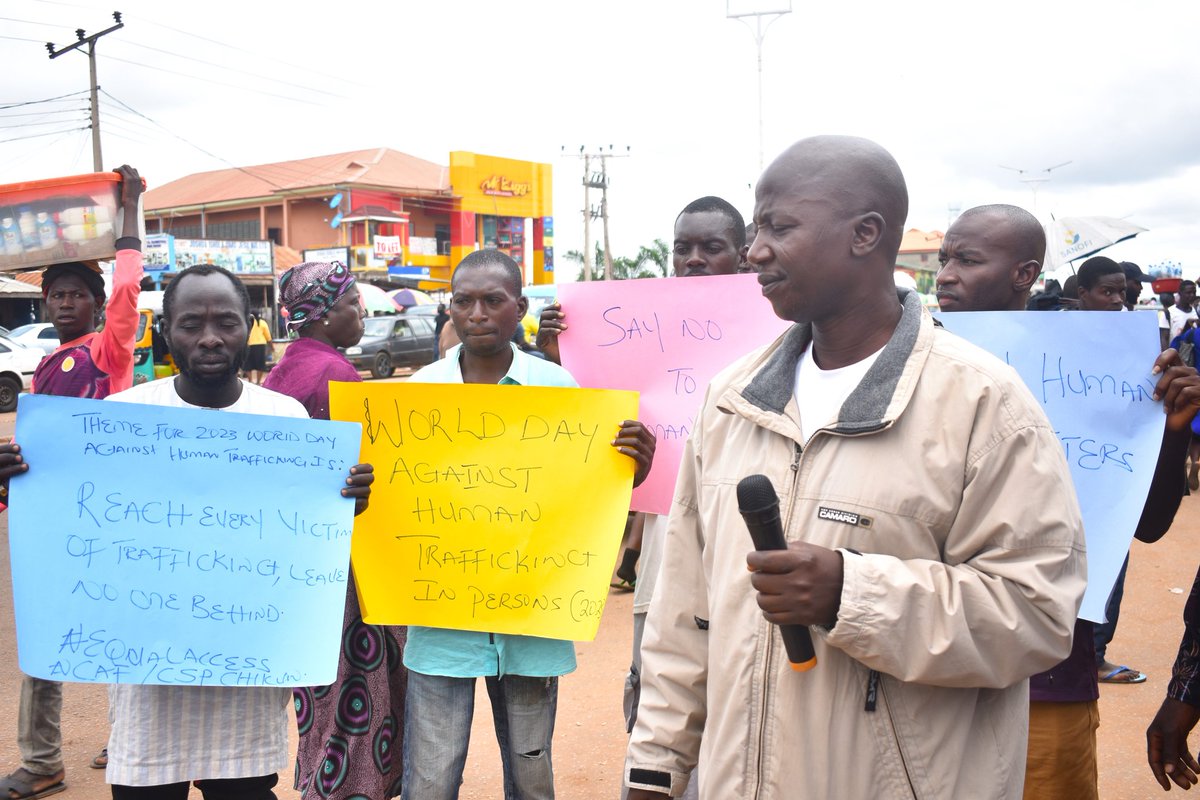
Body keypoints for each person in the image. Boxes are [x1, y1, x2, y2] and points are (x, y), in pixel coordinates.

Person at [624, 136, 1086, 799]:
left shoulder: (985, 404)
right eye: (756, 230)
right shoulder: (731, 399)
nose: (755, 250)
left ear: (865, 234)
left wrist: (852, 593)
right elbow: (682, 620)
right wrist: (654, 773)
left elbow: (1036, 615)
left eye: (779, 227)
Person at [0, 264, 376, 800]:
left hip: (245, 671)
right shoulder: (123, 418)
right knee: (146, 788)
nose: (209, 337)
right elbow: (76, 520)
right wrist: (25, 479)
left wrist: (348, 505)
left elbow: (305, 540)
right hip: (148, 679)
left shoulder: (285, 420)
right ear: (167, 332)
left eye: (225, 321)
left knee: (243, 789)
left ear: (249, 326)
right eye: (190, 323)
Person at [937, 205, 1200, 800]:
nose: (947, 274)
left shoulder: (1103, 363)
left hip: (1046, 678)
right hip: (922, 667)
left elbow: (1152, 526)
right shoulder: (902, 360)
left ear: (1025, 273)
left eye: (968, 260)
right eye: (946, 258)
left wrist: (1173, 429)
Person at [400, 249, 656, 800]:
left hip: (532, 617)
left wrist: (634, 471)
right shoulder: (416, 393)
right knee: (430, 777)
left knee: (533, 776)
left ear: (520, 307)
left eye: (493, 301)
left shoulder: (559, 389)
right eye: (463, 301)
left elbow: (588, 496)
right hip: (441, 619)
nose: (477, 314)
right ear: (450, 308)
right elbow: (392, 506)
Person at [0, 164, 144, 800]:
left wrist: (130, 213)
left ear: (94, 303)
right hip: (51, 518)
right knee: (43, 636)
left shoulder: (106, 352)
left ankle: (130, 740)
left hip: (104, 515)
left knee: (114, 633)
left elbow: (128, 292)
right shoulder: (45, 367)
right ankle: (42, 762)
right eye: (54, 293)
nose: (63, 301)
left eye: (75, 294)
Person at [263, 261, 407, 799]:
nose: (362, 312)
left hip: (299, 562)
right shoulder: (335, 378)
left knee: (318, 694)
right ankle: (347, 789)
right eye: (351, 303)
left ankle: (319, 781)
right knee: (358, 690)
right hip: (346, 565)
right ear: (322, 316)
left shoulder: (284, 371)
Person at [245, 312, 272, 385]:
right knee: (260, 364)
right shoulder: (262, 323)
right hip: (260, 345)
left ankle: (250, 381)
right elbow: (268, 336)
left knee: (247, 364)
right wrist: (271, 346)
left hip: (248, 345)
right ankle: (258, 382)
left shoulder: (246, 323)